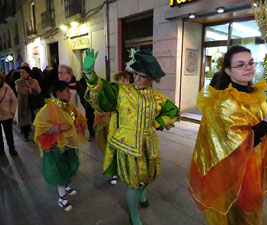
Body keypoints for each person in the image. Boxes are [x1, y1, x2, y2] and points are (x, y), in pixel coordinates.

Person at [188, 45, 267, 225]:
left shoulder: (259, 98)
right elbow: (231, 145)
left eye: (250, 63)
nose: (248, 68)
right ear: (228, 70)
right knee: (236, 215)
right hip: (232, 174)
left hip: (256, 171)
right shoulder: (221, 104)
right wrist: (265, 125)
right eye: (240, 65)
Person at [83, 49, 180, 225]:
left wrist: (158, 123)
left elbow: (173, 112)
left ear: (152, 79)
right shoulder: (122, 92)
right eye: (135, 73)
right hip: (127, 147)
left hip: (149, 145)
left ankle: (142, 193)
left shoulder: (158, 97)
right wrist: (90, 74)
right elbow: (103, 89)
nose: (136, 78)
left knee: (151, 175)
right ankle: (134, 216)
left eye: (142, 76)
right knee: (133, 183)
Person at [33, 80, 87, 211]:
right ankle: (62, 198)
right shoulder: (48, 108)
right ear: (58, 93)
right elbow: (40, 128)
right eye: (67, 91)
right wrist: (59, 127)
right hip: (55, 147)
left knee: (70, 165)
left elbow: (78, 118)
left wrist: (79, 124)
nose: (70, 93)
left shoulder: (69, 106)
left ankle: (66, 184)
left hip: (69, 145)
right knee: (59, 171)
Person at [93, 71, 132, 185]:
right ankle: (114, 172)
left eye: (127, 80)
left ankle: (124, 170)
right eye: (122, 80)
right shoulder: (112, 91)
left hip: (126, 126)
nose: (125, 82)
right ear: (117, 80)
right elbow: (102, 104)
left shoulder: (131, 93)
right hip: (112, 124)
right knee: (112, 149)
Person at [15, 66, 41, 142]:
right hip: (23, 104)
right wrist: (31, 90)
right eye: (20, 72)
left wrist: (29, 90)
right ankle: (25, 135)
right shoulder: (18, 82)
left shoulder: (34, 81)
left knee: (32, 119)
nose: (21, 74)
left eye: (23, 72)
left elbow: (38, 91)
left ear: (28, 73)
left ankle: (31, 132)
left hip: (33, 103)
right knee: (24, 120)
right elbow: (20, 91)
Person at [0, 71, 18, 156]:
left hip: (7, 114)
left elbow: (14, 100)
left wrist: (12, 111)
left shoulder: (7, 88)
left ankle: (11, 148)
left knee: (9, 134)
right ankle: (1, 150)